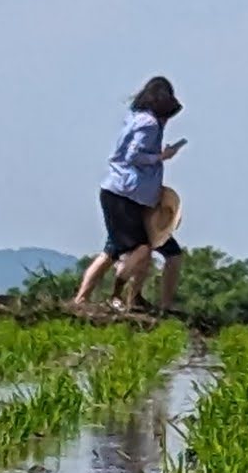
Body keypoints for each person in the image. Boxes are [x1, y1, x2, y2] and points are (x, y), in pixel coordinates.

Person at [75, 77, 186, 313]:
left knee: (114, 250)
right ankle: (118, 295)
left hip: (130, 195)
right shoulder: (149, 124)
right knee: (140, 250)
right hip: (125, 194)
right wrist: (160, 157)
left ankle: (92, 299)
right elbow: (132, 155)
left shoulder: (137, 117)